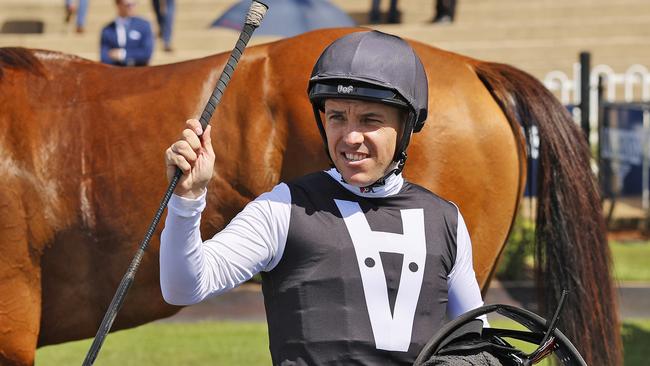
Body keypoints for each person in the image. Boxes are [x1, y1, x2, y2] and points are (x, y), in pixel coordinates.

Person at [160, 30, 486, 364]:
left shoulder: (445, 220)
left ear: (406, 125)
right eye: (337, 118)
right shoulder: (282, 208)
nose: (350, 136)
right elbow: (182, 287)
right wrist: (188, 199)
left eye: (369, 119)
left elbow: (477, 342)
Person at [100, 0, 153, 66]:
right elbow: (104, 57)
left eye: (133, 4)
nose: (131, 7)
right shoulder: (108, 29)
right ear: (118, 5)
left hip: (139, 71)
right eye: (127, 5)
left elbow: (146, 53)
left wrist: (122, 54)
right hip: (116, 72)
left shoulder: (144, 25)